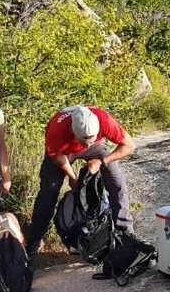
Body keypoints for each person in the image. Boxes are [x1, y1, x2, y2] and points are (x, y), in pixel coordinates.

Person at [27, 105, 136, 260]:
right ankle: (34, 241)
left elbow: (129, 146)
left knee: (117, 183)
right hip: (64, 151)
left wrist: (102, 161)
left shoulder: (103, 120)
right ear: (72, 131)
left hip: (97, 147)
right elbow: (57, 156)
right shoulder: (57, 129)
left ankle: (125, 233)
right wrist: (72, 177)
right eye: (84, 143)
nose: (87, 147)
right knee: (49, 192)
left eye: (90, 140)